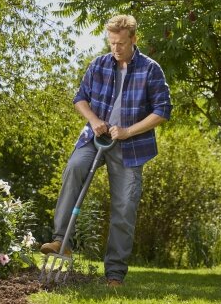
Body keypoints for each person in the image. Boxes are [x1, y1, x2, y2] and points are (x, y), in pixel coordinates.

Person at [40, 15, 172, 287]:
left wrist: (127, 131)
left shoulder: (150, 69)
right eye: (111, 42)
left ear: (134, 39)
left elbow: (162, 111)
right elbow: (80, 99)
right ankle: (61, 241)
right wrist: (94, 120)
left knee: (124, 206)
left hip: (131, 146)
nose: (116, 48)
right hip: (95, 137)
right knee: (75, 167)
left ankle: (114, 274)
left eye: (121, 43)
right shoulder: (99, 64)